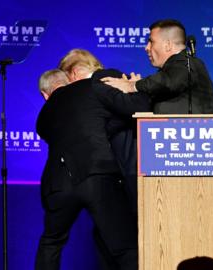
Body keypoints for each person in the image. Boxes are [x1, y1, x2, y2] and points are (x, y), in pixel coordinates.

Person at [35, 49, 150, 270]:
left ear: (45, 94)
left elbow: (67, 134)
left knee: (51, 242)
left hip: (57, 185)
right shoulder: (94, 87)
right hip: (96, 178)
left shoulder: (43, 116)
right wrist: (137, 88)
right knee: (124, 247)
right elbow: (137, 110)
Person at [102, 19, 213, 114]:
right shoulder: (172, 70)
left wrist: (133, 86)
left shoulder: (187, 62)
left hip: (193, 139)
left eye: (151, 42)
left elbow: (170, 82)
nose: (146, 47)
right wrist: (139, 90)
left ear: (168, 45)